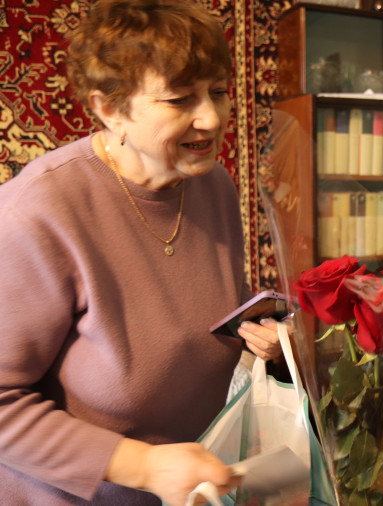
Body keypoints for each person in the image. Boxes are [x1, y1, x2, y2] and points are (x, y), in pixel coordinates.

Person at [0, 1, 282, 504]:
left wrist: (263, 334)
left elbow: (201, 303)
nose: (212, 117)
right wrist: (143, 466)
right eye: (179, 99)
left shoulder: (213, 183)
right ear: (110, 109)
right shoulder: (36, 212)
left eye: (218, 92)